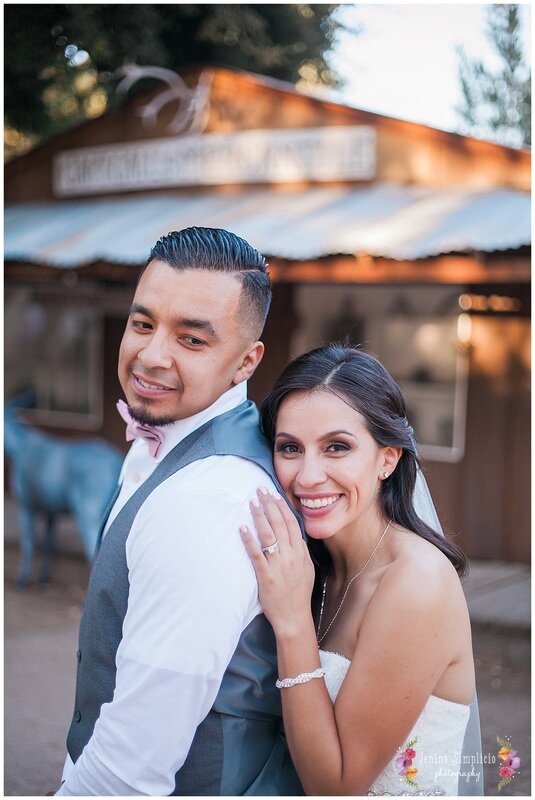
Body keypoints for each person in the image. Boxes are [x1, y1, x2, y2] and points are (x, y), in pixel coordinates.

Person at [55, 227, 302, 795]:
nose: (150, 354)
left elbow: (131, 765)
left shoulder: (208, 502)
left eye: (191, 340)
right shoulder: (166, 439)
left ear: (246, 362)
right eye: (142, 324)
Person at [240, 344, 479, 796]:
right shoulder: (312, 567)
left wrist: (292, 624)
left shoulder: (416, 583)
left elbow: (338, 788)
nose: (308, 476)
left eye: (337, 447)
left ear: (387, 459)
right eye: (290, 448)